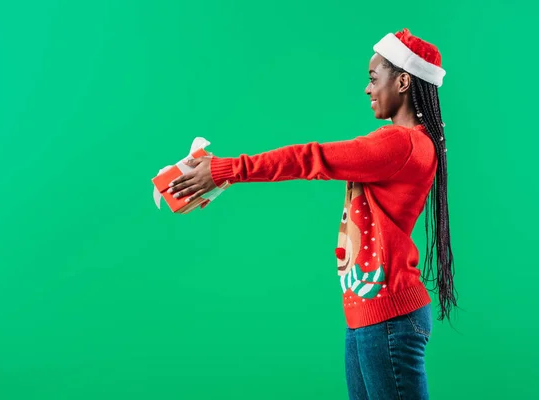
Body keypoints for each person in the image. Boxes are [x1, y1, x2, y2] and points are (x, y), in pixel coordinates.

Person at [168, 28, 456, 400]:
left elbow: (310, 158)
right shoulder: (411, 144)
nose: (367, 89)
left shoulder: (399, 143)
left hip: (387, 318)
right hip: (372, 315)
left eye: (373, 78)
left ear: (402, 81)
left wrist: (226, 170)